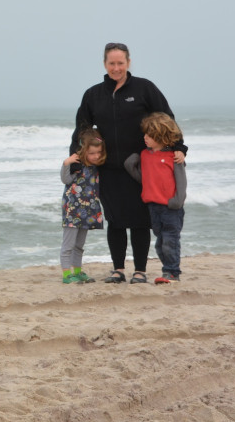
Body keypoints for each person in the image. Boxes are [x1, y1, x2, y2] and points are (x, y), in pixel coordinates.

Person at [70, 43, 186, 285]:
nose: (116, 68)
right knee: (116, 220)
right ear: (105, 64)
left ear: (128, 63)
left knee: (140, 220)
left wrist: (179, 148)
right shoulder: (94, 94)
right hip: (108, 168)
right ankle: (118, 269)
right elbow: (81, 127)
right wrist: (75, 159)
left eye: (120, 63)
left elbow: (167, 119)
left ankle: (140, 270)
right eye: (111, 63)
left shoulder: (144, 88)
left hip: (141, 169)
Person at [124, 113, 187, 284]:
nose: (145, 138)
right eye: (145, 134)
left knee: (170, 241)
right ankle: (168, 270)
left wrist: (177, 201)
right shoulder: (145, 155)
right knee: (160, 243)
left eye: (149, 135)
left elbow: (181, 180)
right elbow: (144, 179)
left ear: (161, 136)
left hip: (171, 207)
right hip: (153, 206)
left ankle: (172, 272)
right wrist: (131, 164)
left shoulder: (173, 156)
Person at [60, 128, 106, 283]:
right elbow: (66, 180)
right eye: (91, 153)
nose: (96, 156)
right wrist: (66, 164)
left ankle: (77, 271)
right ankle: (67, 275)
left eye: (98, 152)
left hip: (88, 210)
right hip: (73, 210)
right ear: (83, 151)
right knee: (69, 244)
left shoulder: (96, 168)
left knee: (79, 245)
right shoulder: (77, 166)